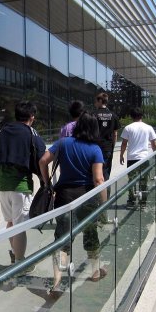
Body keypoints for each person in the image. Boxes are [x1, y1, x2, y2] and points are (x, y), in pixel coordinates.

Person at [39, 111, 107, 297]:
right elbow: (99, 180)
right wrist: (104, 203)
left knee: (62, 239)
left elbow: (43, 161)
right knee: (91, 233)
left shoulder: (63, 143)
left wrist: (47, 183)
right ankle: (94, 272)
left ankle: (57, 283)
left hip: (65, 196)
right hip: (86, 196)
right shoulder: (95, 149)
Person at [0, 101, 46, 270]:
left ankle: (15, 254)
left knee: (11, 222)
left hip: (2, 184)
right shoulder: (31, 133)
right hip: (20, 185)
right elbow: (41, 159)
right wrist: (45, 182)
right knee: (20, 226)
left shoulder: (3, 131)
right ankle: (20, 265)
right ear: (31, 117)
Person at [119, 107, 156, 208]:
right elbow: (154, 143)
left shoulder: (128, 128)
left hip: (131, 158)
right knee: (143, 180)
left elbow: (124, 144)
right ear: (142, 115)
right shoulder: (148, 127)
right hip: (144, 158)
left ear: (131, 116)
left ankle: (131, 201)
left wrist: (121, 155)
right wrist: (155, 153)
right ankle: (142, 203)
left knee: (131, 180)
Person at [93, 92, 120, 180]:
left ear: (100, 101)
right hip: (107, 148)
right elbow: (115, 134)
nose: (95, 104)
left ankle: (95, 192)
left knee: (94, 172)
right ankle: (106, 193)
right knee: (106, 172)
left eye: (96, 101)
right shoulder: (113, 115)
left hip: (95, 147)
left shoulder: (93, 115)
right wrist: (112, 146)